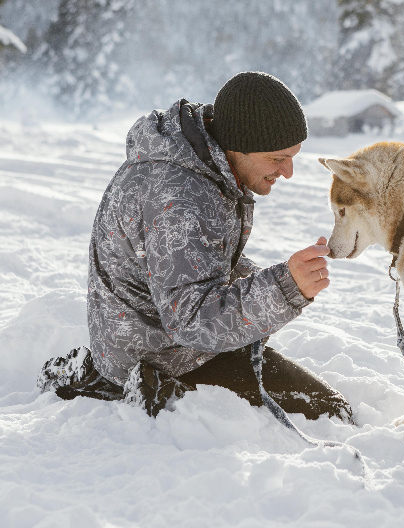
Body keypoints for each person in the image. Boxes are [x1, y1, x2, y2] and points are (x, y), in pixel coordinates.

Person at [37, 72, 353, 422]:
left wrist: (273, 281)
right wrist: (285, 287)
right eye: (278, 158)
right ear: (240, 143)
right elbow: (192, 321)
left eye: (293, 156)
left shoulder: (201, 166)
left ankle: (105, 375)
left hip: (152, 336)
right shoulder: (178, 197)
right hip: (163, 357)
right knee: (331, 413)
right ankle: (134, 389)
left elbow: (203, 259)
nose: (288, 171)